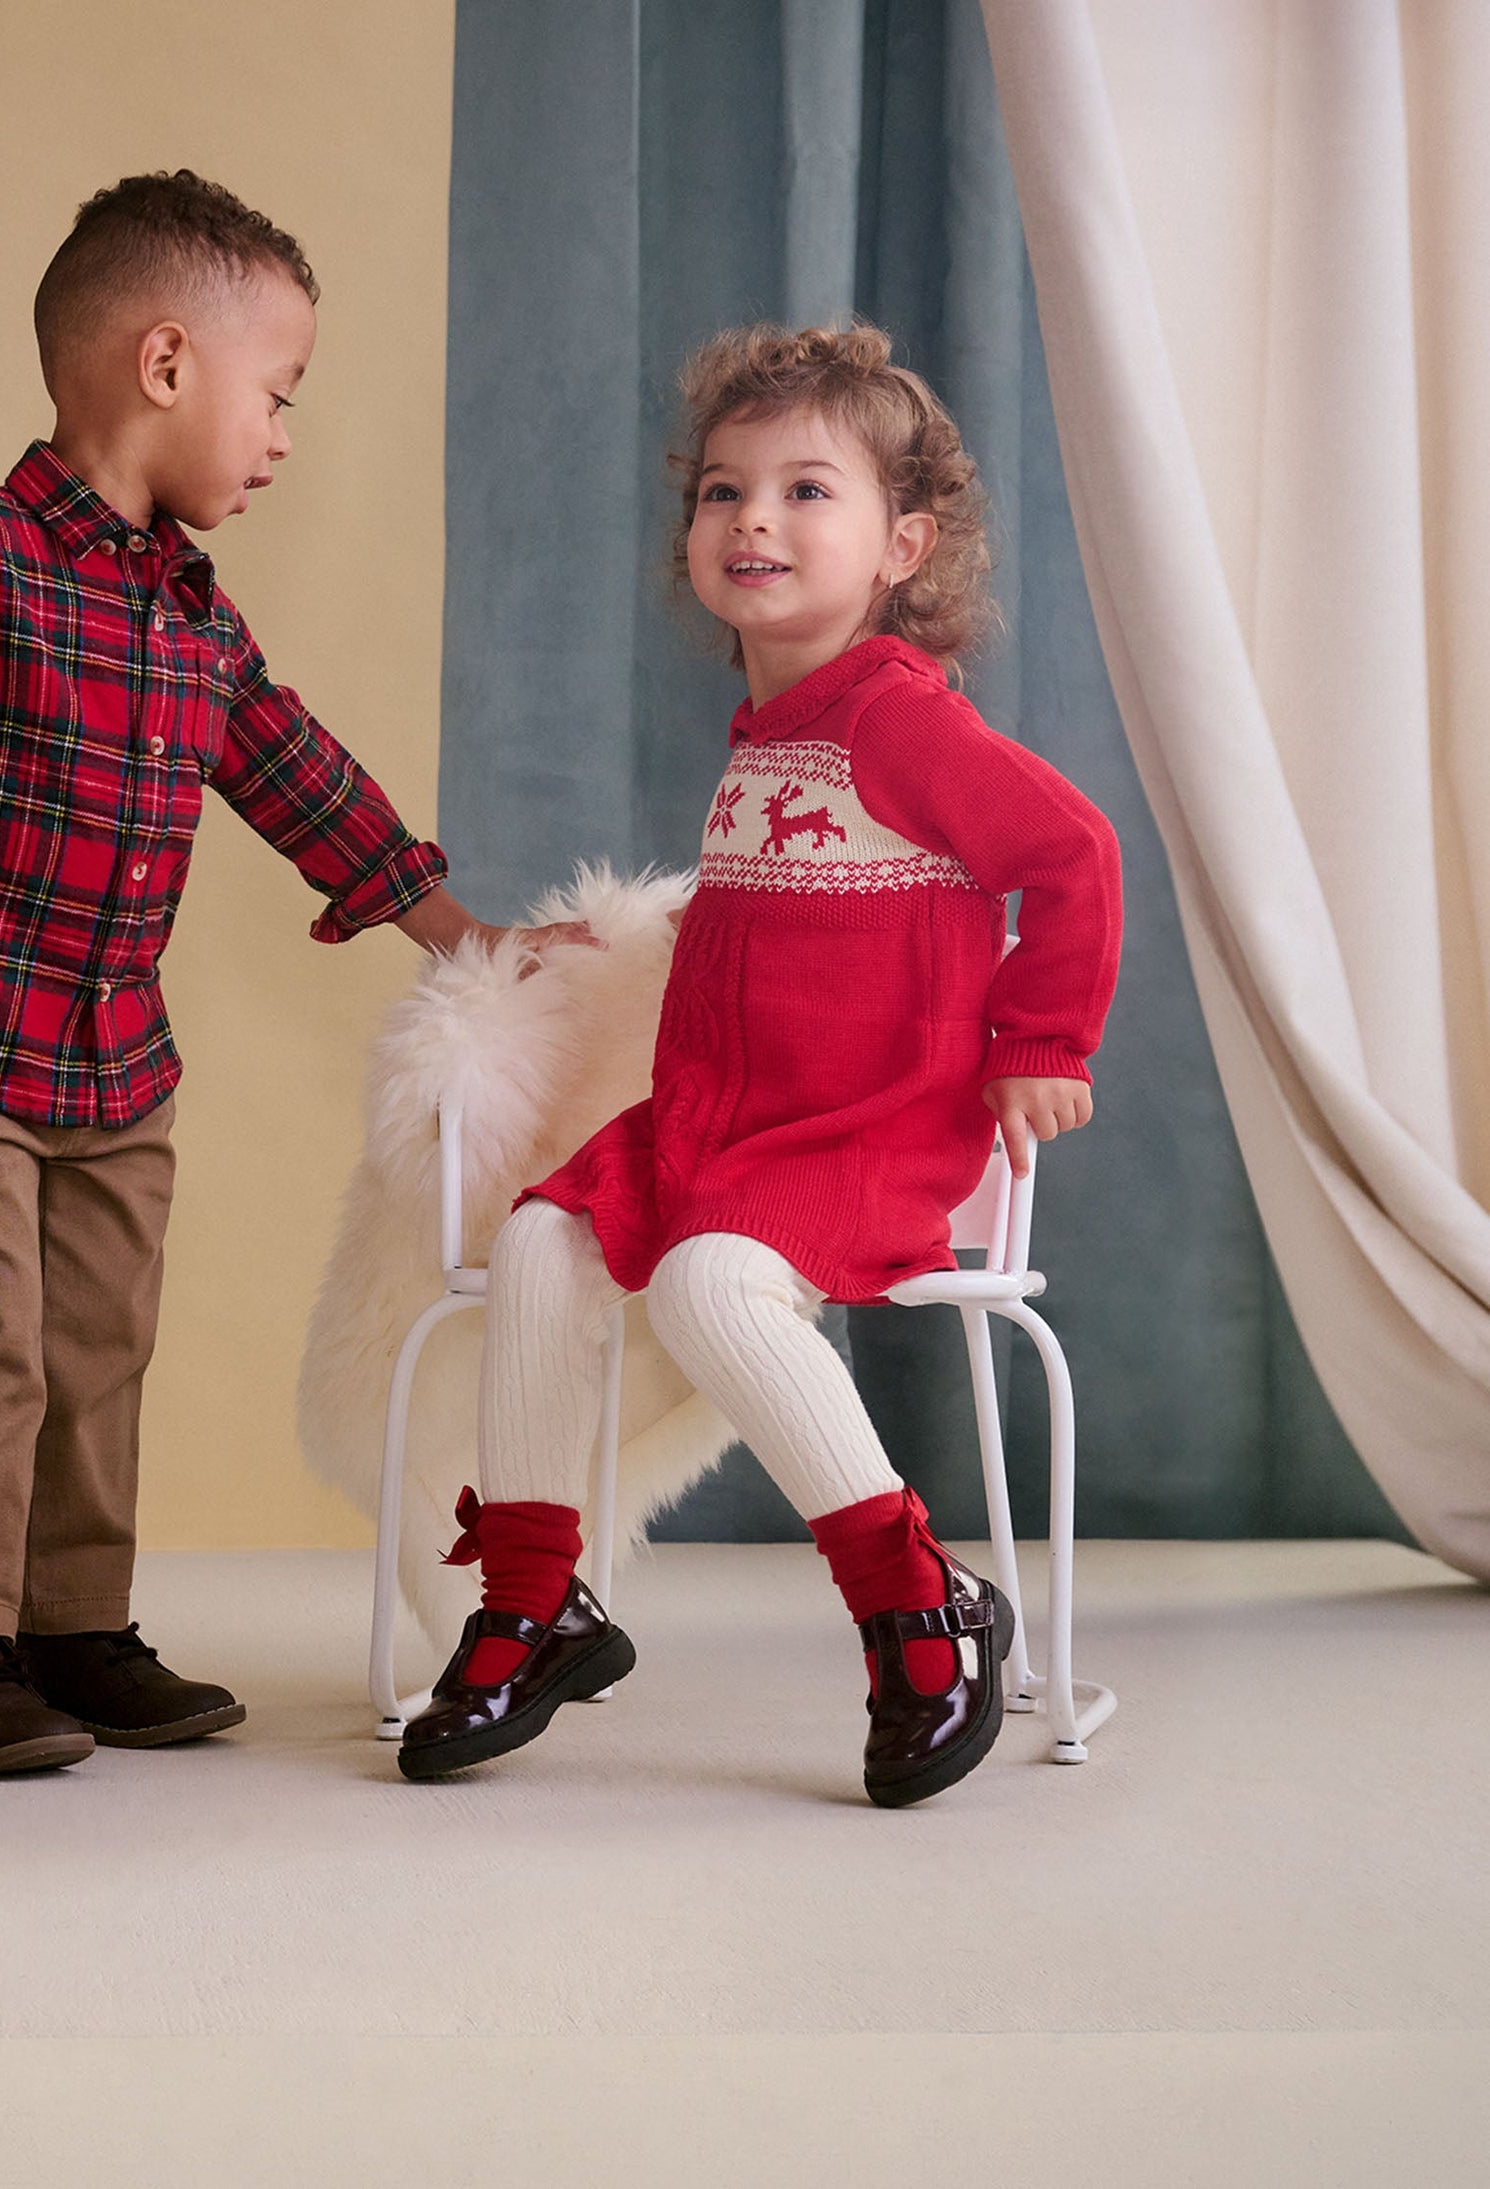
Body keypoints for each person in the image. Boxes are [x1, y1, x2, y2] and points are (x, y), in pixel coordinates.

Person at [0, 169, 584, 1780]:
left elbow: (291, 771)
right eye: (277, 395)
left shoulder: (191, 613)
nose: (278, 438)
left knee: (99, 1346)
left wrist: (459, 930)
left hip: (117, 1058)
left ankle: (71, 1624)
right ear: (167, 365)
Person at [399, 322, 1122, 1806]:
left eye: (806, 491)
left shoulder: (895, 714)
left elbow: (1071, 852)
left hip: (865, 1123)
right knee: (539, 1237)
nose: (753, 522)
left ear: (902, 545)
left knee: (706, 1283)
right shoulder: (768, 722)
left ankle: (913, 1600)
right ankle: (536, 1599)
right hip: (724, 1124)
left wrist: (1037, 1038)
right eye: (724, 491)